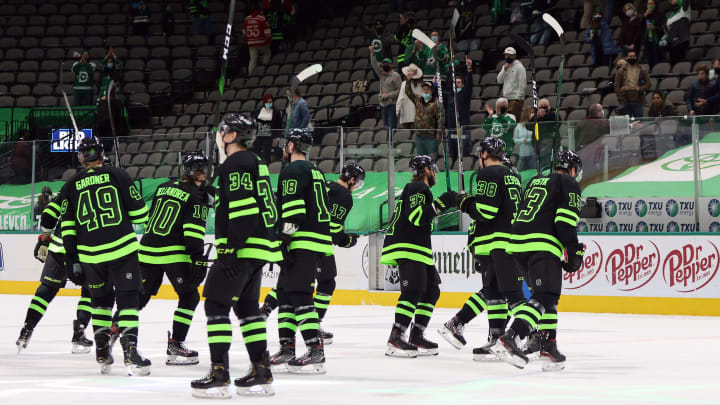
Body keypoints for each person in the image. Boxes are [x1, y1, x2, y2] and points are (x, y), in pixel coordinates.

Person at [191, 114, 281, 397]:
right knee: (247, 310)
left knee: (216, 305)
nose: (220, 134)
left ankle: (219, 372)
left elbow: (243, 209)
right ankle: (261, 369)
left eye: (223, 130)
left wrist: (230, 248)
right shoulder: (255, 161)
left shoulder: (236, 162)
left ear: (232, 136)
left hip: (242, 247)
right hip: (257, 247)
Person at [61, 137, 150, 376]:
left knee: (100, 302)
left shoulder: (71, 184)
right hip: (121, 250)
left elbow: (67, 228)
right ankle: (130, 352)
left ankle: (102, 351)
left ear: (80, 158)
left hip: (90, 255)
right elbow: (141, 215)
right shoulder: (116, 174)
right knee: (128, 301)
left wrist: (73, 260)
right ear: (102, 154)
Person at [260, 162, 366, 344]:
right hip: (318, 243)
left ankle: (266, 309)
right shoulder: (345, 196)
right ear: (352, 179)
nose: (357, 186)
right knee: (326, 282)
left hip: (296, 237)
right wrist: (347, 240)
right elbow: (332, 228)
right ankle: (314, 324)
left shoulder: (326, 185)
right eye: (358, 182)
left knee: (290, 280)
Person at [438, 137, 524, 361]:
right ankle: (497, 340)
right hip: (507, 240)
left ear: (486, 154)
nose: (479, 158)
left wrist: (462, 201)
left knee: (507, 294)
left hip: (496, 241)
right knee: (495, 293)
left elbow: (484, 211)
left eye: (481, 154)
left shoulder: (488, 174)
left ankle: (534, 336)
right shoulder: (513, 177)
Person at [137, 153, 212, 367]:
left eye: (204, 169)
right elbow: (192, 231)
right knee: (190, 298)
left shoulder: (164, 186)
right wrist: (197, 260)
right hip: (172, 252)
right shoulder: (196, 194)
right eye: (199, 170)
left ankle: (113, 330)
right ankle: (176, 345)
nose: (203, 174)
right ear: (190, 171)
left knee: (140, 297)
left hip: (147, 249)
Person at [269, 128, 333, 374]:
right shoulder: (316, 171)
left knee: (299, 294)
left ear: (292, 146)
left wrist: (284, 239)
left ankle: (315, 349)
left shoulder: (292, 171)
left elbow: (295, 212)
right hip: (317, 241)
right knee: (285, 294)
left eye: (287, 144)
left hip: (302, 241)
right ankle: (287, 348)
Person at [381, 155, 457, 357]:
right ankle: (396, 337)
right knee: (413, 291)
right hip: (409, 246)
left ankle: (416, 335)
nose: (436, 173)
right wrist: (441, 203)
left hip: (418, 247)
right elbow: (416, 217)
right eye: (433, 169)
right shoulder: (418, 188)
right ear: (427, 170)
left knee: (431, 292)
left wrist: (439, 205)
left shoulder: (418, 190)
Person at [16, 183, 94, 354]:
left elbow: (49, 215)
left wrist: (44, 238)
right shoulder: (108, 184)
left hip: (60, 246)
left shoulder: (71, 184)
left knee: (45, 291)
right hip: (87, 251)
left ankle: (26, 331)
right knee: (90, 292)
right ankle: (79, 333)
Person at [406, 81, 444, 161]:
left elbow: (440, 118)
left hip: (431, 136)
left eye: (427, 89)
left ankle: (431, 173)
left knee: (431, 159)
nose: (425, 91)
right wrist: (408, 80)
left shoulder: (436, 103)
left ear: (431, 91)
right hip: (419, 135)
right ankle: (422, 173)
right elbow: (408, 92)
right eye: (424, 89)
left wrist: (439, 133)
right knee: (420, 159)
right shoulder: (418, 100)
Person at [445, 56, 474, 160]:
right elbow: (437, 92)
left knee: (464, 154)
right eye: (455, 83)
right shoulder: (450, 96)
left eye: (459, 83)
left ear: (462, 85)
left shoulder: (465, 94)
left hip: (463, 128)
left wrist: (469, 69)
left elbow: (470, 84)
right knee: (453, 155)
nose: (456, 85)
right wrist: (435, 82)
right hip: (451, 129)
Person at [370, 44, 402, 129]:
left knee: (392, 127)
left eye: (387, 63)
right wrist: (372, 53)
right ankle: (388, 142)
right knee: (385, 127)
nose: (385, 65)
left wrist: (388, 95)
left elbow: (400, 91)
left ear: (391, 65)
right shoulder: (381, 74)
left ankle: (392, 142)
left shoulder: (396, 76)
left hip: (392, 105)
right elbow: (374, 64)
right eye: (384, 63)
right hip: (383, 104)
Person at [614, 49, 651, 118]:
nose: (632, 58)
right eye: (630, 56)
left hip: (638, 100)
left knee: (639, 121)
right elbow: (616, 86)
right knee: (626, 122)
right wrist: (620, 98)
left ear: (636, 57)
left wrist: (640, 88)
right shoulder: (620, 71)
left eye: (634, 56)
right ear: (626, 58)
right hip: (625, 100)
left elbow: (649, 84)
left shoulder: (642, 69)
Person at [497, 47, 526, 120]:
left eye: (510, 55)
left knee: (514, 121)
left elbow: (522, 84)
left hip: (515, 99)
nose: (507, 57)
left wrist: (518, 99)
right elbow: (499, 80)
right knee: (507, 122)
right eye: (506, 55)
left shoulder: (520, 67)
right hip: (506, 99)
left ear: (514, 56)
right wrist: (504, 70)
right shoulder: (505, 66)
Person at [243, 7, 272, 75]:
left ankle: (250, 75)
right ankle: (265, 71)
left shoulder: (247, 19)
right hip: (262, 42)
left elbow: (244, 32)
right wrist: (269, 40)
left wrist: (246, 39)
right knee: (267, 54)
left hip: (251, 43)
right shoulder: (262, 18)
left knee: (252, 60)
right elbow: (267, 31)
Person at [255, 94, 284, 163]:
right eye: (267, 102)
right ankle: (256, 163)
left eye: (270, 102)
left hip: (270, 134)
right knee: (255, 147)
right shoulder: (260, 110)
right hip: (260, 133)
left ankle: (266, 164)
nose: (269, 104)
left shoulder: (276, 111)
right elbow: (256, 121)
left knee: (266, 151)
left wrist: (278, 136)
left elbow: (279, 125)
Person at [396, 64, 423, 129]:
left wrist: (397, 110)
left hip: (410, 115)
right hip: (413, 115)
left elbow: (401, 98)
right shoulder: (420, 85)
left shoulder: (405, 84)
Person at [642, 0, 665, 68]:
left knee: (656, 61)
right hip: (647, 42)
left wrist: (654, 27)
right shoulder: (645, 15)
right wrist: (644, 16)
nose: (650, 5)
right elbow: (639, 27)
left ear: (655, 5)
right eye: (648, 4)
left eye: (652, 4)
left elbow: (664, 29)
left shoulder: (660, 14)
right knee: (649, 62)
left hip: (657, 41)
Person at [512, 106, 536, 172]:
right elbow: (515, 139)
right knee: (521, 174)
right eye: (532, 112)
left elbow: (537, 138)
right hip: (522, 155)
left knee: (533, 173)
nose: (533, 114)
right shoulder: (519, 126)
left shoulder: (534, 124)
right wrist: (522, 140)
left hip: (532, 154)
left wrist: (528, 141)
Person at [666, 0, 690, 65]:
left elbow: (686, 2)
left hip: (681, 42)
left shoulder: (684, 11)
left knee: (679, 64)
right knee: (673, 65)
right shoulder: (670, 17)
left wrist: (678, 1)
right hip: (671, 44)